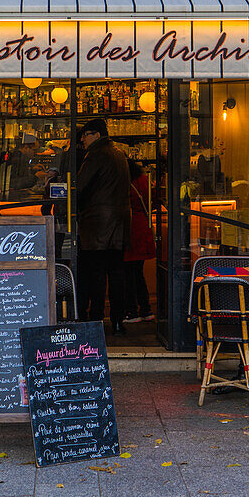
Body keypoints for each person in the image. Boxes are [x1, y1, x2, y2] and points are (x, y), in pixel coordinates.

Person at [76, 119, 131, 335]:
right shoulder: (118, 153)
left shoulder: (96, 154)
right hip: (119, 224)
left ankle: (96, 319)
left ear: (97, 135)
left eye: (86, 134)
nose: (82, 138)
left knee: (96, 275)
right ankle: (118, 321)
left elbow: (80, 187)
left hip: (98, 224)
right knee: (117, 274)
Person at [124, 159, 155, 324]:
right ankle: (146, 309)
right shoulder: (144, 179)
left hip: (130, 229)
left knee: (128, 273)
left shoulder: (124, 183)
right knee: (138, 272)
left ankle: (132, 311)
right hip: (144, 227)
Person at [6, 134, 48, 199]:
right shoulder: (17, 159)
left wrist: (31, 168)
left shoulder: (21, 158)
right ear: (26, 147)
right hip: (14, 199)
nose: (35, 153)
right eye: (34, 150)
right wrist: (36, 177)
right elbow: (14, 183)